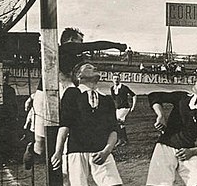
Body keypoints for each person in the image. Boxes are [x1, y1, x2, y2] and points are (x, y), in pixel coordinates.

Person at [51, 62, 125, 186]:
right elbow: (65, 125)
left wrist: (107, 150)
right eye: (88, 67)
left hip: (102, 153)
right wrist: (58, 151)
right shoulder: (72, 95)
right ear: (79, 76)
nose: (94, 67)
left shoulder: (107, 100)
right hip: (76, 153)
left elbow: (113, 130)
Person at [23, 27, 127, 168]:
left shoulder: (76, 60)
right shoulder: (67, 48)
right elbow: (96, 45)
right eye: (80, 41)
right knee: (40, 145)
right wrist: (117, 46)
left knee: (65, 132)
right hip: (46, 95)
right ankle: (33, 150)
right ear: (71, 40)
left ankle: (64, 174)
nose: (82, 45)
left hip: (64, 93)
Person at [0, 71, 19, 164]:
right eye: (4, 77)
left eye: (7, 77)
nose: (6, 79)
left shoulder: (10, 89)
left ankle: (6, 157)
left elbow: (14, 104)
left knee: (7, 137)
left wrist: (14, 115)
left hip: (7, 116)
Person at [110, 73, 137, 146]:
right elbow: (114, 99)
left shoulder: (124, 88)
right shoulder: (112, 89)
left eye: (117, 78)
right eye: (114, 78)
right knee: (120, 124)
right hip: (118, 108)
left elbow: (134, 95)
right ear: (112, 80)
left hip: (125, 108)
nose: (116, 80)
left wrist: (133, 106)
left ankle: (120, 140)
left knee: (118, 122)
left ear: (120, 79)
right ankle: (124, 140)